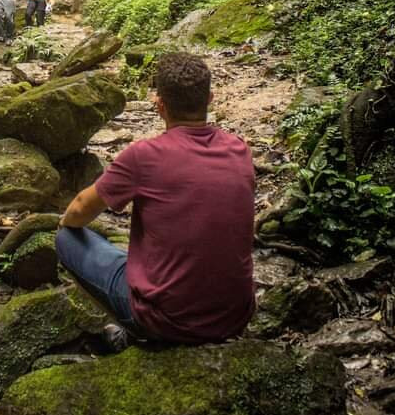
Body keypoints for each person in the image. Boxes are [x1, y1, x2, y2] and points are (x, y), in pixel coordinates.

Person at [55, 52, 255, 349]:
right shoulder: (239, 149)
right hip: (235, 316)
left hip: (166, 320)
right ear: (210, 98)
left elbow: (81, 209)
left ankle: (137, 331)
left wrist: (64, 221)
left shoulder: (145, 156)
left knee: (66, 239)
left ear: (160, 106)